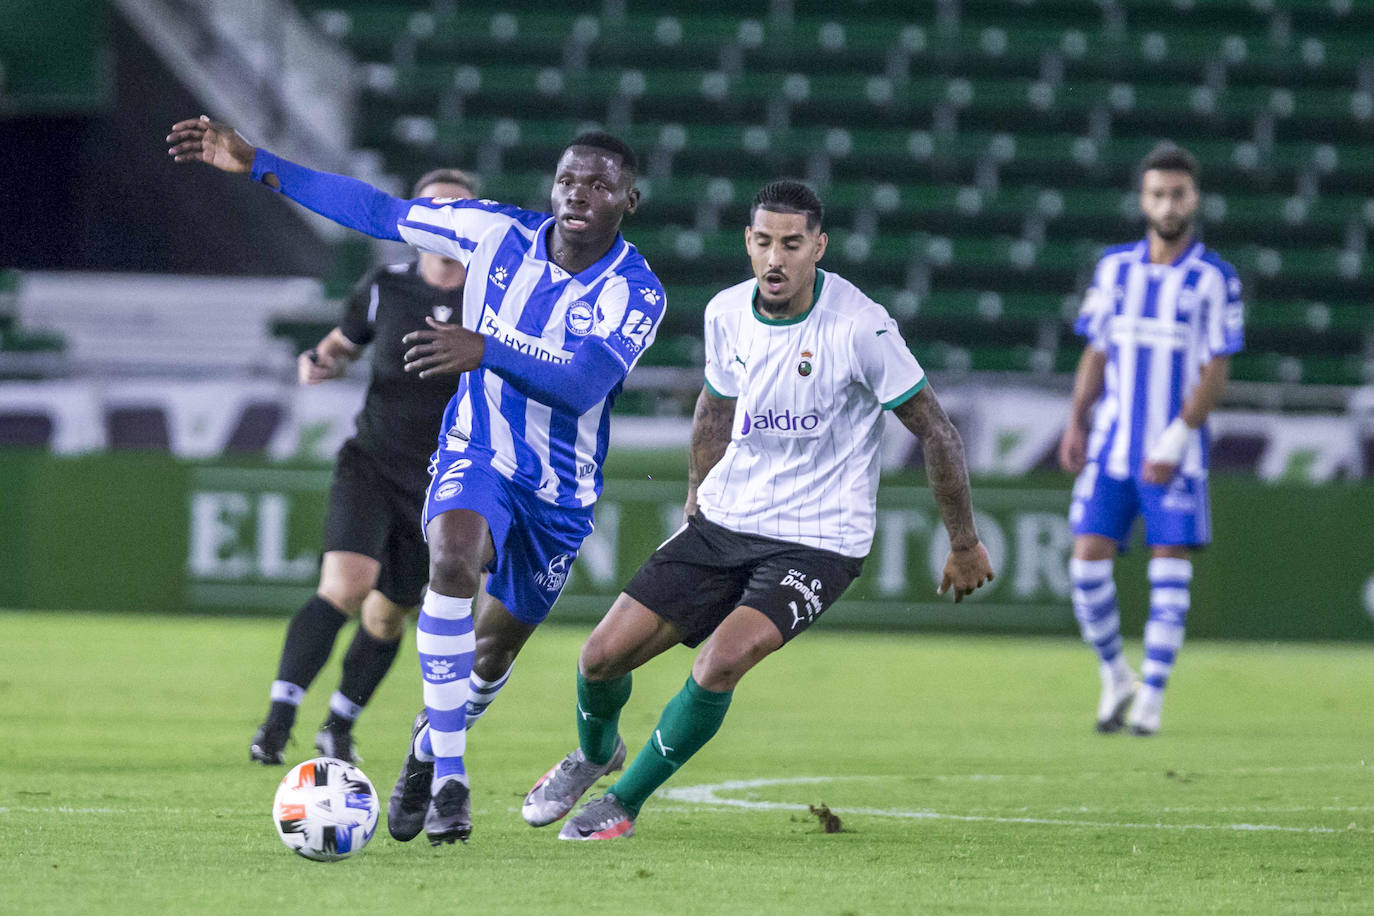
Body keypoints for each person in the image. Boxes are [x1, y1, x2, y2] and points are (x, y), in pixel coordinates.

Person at [168, 117, 665, 845]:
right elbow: (379, 211)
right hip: (478, 450)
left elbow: (585, 383)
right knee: (453, 559)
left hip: (559, 491)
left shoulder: (635, 289)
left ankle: (423, 750)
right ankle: (451, 778)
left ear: (630, 200)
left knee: (491, 656)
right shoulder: (495, 233)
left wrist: (486, 346)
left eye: (599, 184)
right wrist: (259, 165)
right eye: (567, 179)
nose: (578, 193)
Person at [520, 180, 995, 841]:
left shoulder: (860, 327)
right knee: (599, 659)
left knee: (719, 661)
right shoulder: (726, 314)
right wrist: (695, 497)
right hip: (725, 523)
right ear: (748, 242)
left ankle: (623, 802)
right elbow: (715, 407)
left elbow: (937, 431)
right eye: (765, 242)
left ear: (818, 248)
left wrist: (965, 542)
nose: (776, 259)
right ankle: (597, 754)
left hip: (819, 542)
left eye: (792, 244)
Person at [248, 168, 479, 767]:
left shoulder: (493, 295)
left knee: (386, 614)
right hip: (373, 462)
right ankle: (277, 721)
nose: (445, 220)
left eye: (458, 209)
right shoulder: (386, 284)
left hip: (445, 481)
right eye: (433, 207)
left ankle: (339, 724)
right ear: (415, 219)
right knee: (345, 586)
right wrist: (320, 360)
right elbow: (344, 341)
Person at [1057, 143, 1243, 737]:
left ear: (1194, 199)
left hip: (1173, 450)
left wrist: (1179, 436)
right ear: (1143, 199)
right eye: (1158, 193)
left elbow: (1217, 365)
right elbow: (1097, 349)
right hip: (1112, 442)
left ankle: (1153, 695)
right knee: (1085, 565)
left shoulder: (1214, 278)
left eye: (1178, 194)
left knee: (1170, 570)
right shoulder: (1115, 269)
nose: (1168, 204)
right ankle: (1116, 675)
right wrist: (1076, 421)